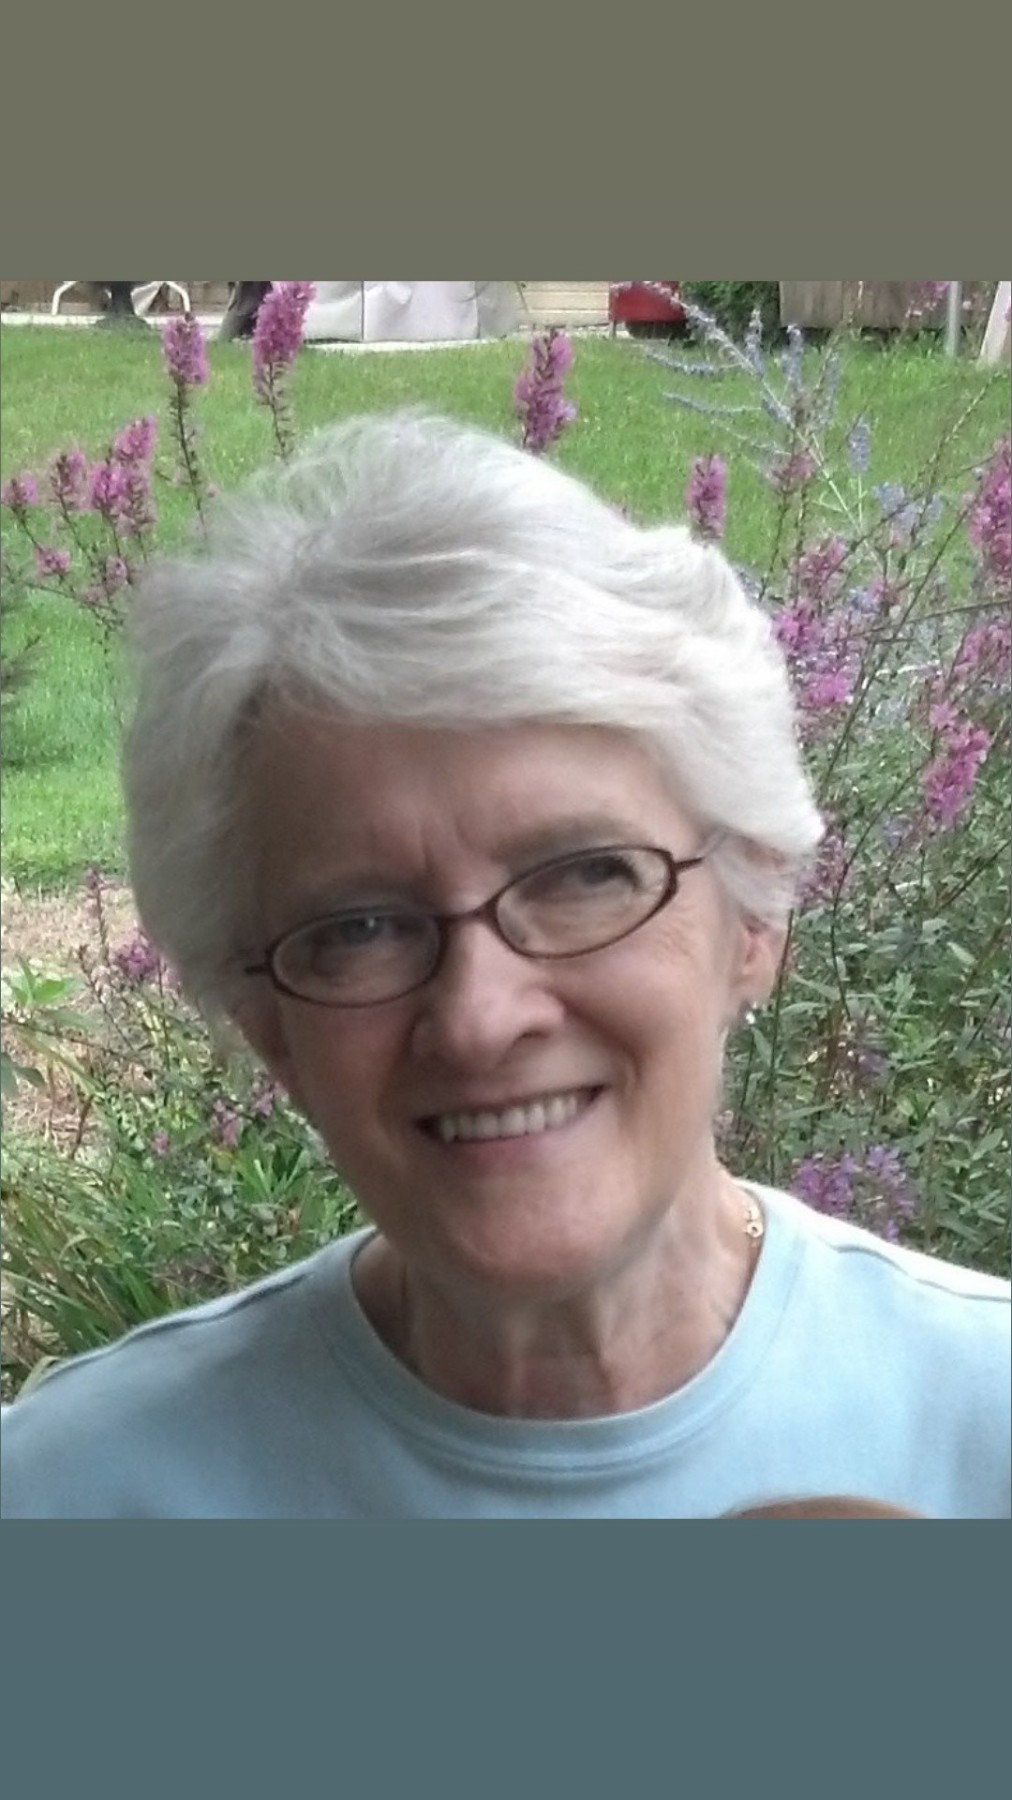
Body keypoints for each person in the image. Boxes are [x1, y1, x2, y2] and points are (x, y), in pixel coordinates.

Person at [2, 412, 1008, 1519]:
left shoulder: (980, 1428)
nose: (480, 1017)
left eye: (584, 875)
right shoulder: (74, 1501)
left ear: (755, 915)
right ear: (267, 1025)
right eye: (359, 928)